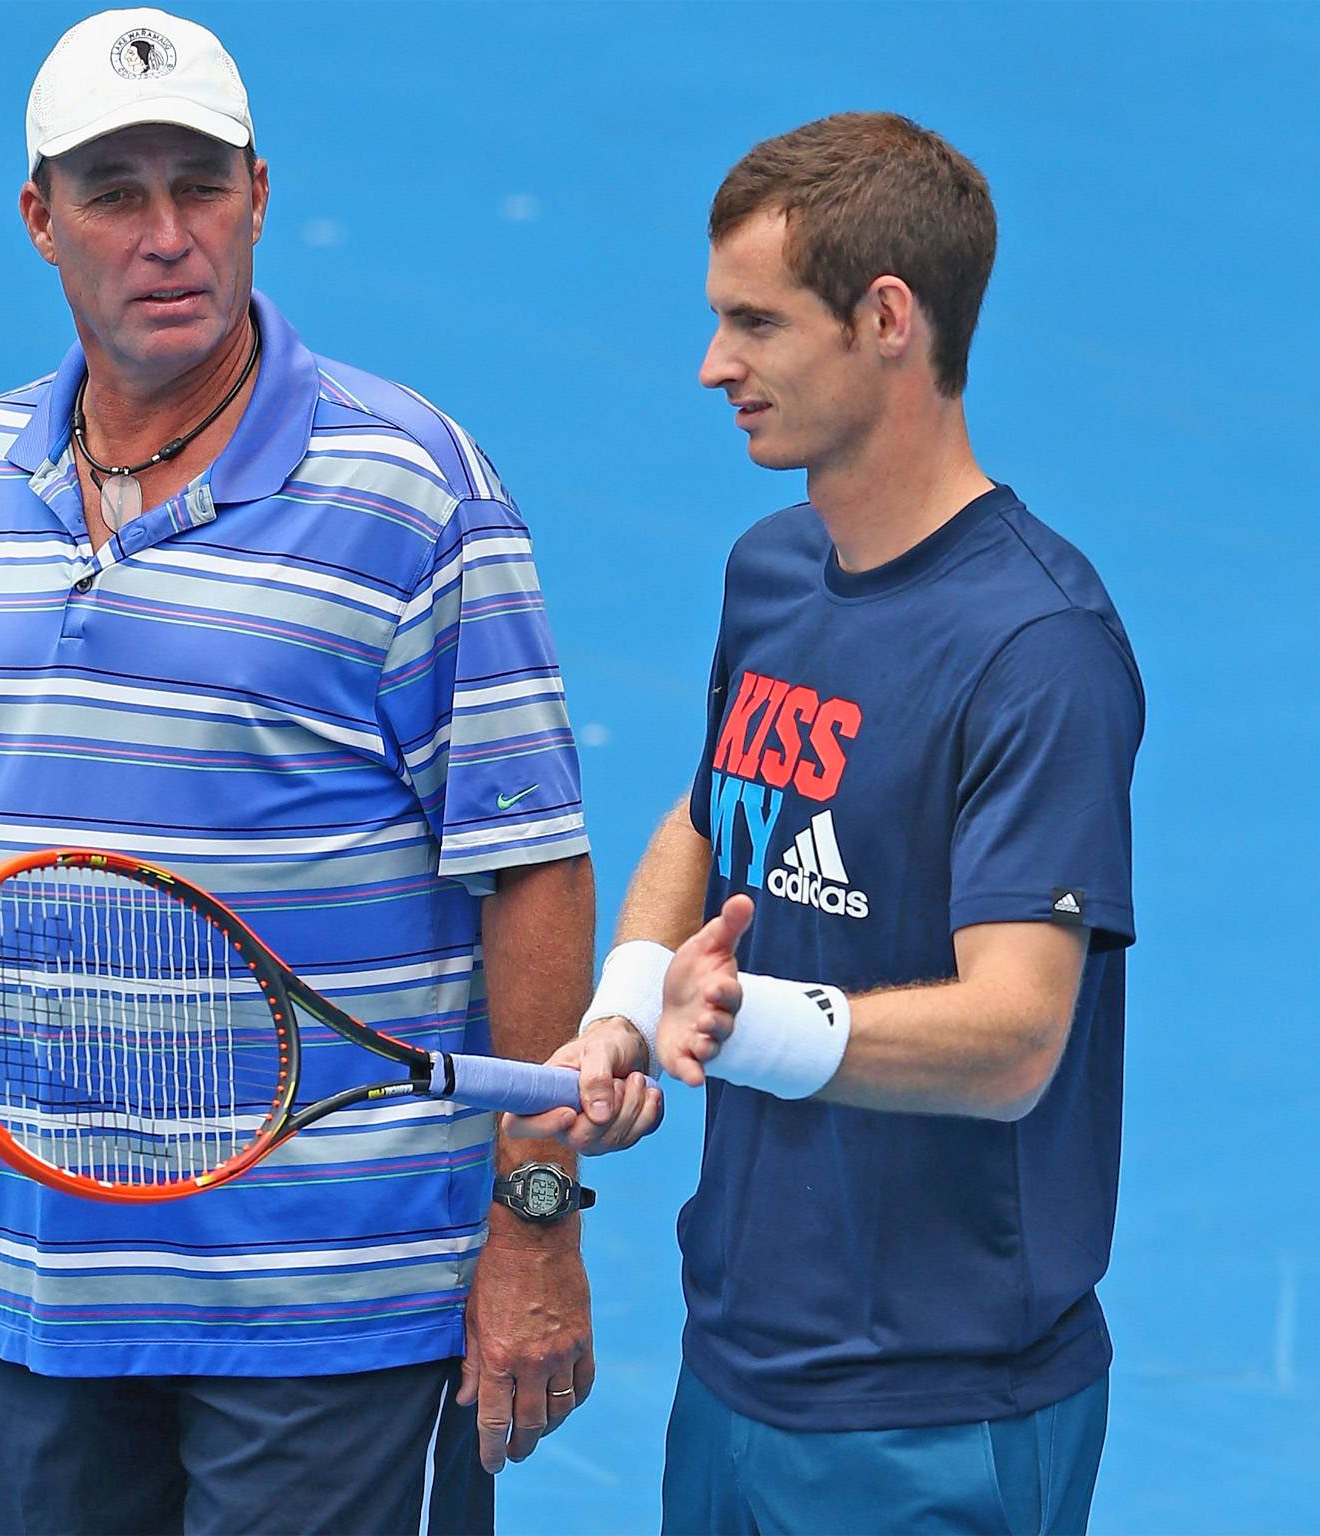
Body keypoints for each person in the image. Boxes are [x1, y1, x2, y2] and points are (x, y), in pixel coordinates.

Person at [0, 11, 598, 1532]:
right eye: (116, 193)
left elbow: (534, 869)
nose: (166, 236)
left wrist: (535, 1224)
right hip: (59, 1290)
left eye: (200, 185)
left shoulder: (414, 490)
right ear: (41, 219)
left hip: (345, 1311)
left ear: (261, 194)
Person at [509, 112, 1143, 1535]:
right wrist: (622, 1009)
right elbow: (710, 809)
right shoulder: (774, 571)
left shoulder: (1037, 648)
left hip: (939, 1417)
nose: (712, 365)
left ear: (887, 320)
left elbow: (1018, 1036)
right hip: (739, 1368)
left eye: (754, 323)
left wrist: (747, 1026)